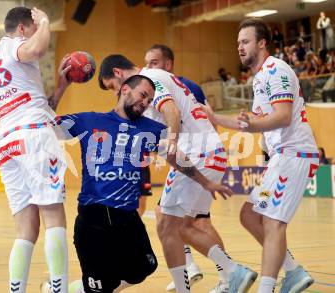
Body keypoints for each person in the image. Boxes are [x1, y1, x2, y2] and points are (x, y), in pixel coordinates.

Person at [44, 75, 233, 293]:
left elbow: (175, 158)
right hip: (93, 219)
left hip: (128, 219)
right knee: (100, 287)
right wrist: (61, 88)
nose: (145, 103)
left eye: (149, 100)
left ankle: (83, 288)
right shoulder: (90, 121)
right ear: (125, 89)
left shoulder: (152, 129)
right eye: (142, 95)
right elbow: (47, 125)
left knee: (145, 266)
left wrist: (206, 182)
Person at [99, 55, 258, 293]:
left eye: (112, 86)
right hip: (209, 154)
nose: (116, 92)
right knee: (182, 224)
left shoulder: (149, 79)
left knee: (167, 226)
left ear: (118, 73)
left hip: (197, 153)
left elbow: (171, 110)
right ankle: (228, 274)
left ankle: (232, 272)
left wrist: (172, 142)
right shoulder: (150, 88)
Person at [201, 18, 320, 293]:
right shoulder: (259, 78)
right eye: (238, 43)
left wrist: (253, 125)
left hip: (295, 153)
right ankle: (293, 272)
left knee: (273, 221)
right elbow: (254, 121)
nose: (239, 48)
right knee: (250, 215)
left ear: (262, 43)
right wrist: (215, 118)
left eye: (245, 42)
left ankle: (267, 288)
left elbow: (282, 116)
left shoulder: (276, 70)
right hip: (280, 157)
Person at [0, 7, 70, 293]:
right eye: (32, 28)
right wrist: (45, 20)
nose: (36, 32)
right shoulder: (17, 45)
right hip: (33, 136)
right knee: (54, 215)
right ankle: (59, 289)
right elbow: (36, 49)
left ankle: (16, 290)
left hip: (6, 141)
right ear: (22, 28)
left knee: (26, 228)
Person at [145, 44, 225, 292]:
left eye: (154, 62)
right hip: (191, 158)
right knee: (166, 216)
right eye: (146, 62)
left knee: (192, 223)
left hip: (198, 156)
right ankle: (193, 266)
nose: (148, 68)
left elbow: (204, 120)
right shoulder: (155, 83)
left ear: (168, 64)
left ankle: (227, 274)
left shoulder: (185, 86)